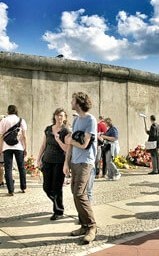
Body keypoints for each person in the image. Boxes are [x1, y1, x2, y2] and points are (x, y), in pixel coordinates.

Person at [63, 92, 97, 244]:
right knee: (74, 193)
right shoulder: (76, 120)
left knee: (79, 193)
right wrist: (66, 162)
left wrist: (70, 141)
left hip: (86, 161)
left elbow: (84, 144)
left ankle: (92, 226)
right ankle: (84, 225)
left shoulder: (91, 120)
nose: (71, 101)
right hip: (75, 162)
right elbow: (71, 144)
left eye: (73, 99)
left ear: (78, 102)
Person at [37, 108, 69, 220]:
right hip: (47, 160)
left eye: (62, 116)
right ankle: (57, 202)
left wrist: (59, 140)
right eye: (58, 115)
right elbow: (43, 145)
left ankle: (58, 211)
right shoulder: (48, 129)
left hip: (59, 162)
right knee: (46, 187)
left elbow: (67, 148)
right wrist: (38, 159)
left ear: (65, 117)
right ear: (54, 116)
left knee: (57, 188)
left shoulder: (66, 131)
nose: (60, 118)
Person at [0, 105, 28, 196]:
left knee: (8, 168)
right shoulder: (21, 120)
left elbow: (1, 135)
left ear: (8, 111)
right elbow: (24, 136)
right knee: (21, 167)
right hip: (18, 146)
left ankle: (10, 190)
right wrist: (25, 148)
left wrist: (0, 147)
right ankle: (23, 187)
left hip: (7, 147)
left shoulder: (4, 120)